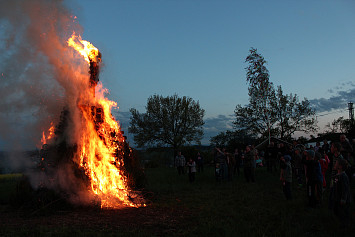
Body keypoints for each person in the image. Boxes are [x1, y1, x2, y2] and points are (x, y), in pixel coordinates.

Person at [330, 158, 351, 227]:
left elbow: (345, 189)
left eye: (336, 163)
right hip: (337, 197)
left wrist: (343, 198)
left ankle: (344, 225)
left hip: (342, 199)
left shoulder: (343, 176)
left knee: (343, 212)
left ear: (340, 166)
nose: (335, 164)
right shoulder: (337, 175)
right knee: (337, 210)